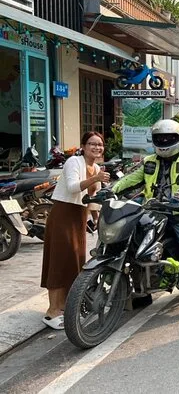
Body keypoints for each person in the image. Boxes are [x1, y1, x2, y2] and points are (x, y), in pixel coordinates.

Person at [113, 120, 179, 317]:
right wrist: (110, 189)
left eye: (169, 138)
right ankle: (142, 293)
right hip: (152, 211)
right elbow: (130, 179)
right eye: (160, 138)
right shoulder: (149, 161)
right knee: (134, 249)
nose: (165, 141)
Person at [40, 132, 109, 330]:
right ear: (83, 146)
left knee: (73, 262)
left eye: (99, 144)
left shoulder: (96, 168)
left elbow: (93, 198)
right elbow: (72, 188)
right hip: (63, 214)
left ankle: (63, 307)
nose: (96, 147)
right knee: (58, 262)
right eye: (92, 144)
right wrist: (96, 178)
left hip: (79, 217)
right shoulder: (74, 162)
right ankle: (52, 312)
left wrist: (96, 219)